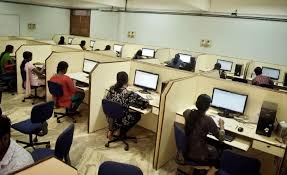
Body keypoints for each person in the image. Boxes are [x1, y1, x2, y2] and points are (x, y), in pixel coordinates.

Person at [183, 94, 225, 175]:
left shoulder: (188, 113)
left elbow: (185, 112)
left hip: (188, 150)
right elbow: (221, 138)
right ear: (208, 107)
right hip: (199, 156)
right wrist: (222, 126)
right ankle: (210, 171)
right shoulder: (208, 120)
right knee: (218, 162)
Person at [105, 71, 149, 140]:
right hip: (121, 119)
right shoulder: (128, 93)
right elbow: (145, 102)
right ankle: (122, 132)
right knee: (137, 115)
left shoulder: (111, 89)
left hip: (111, 117)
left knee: (121, 110)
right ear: (126, 80)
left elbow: (107, 100)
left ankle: (113, 129)